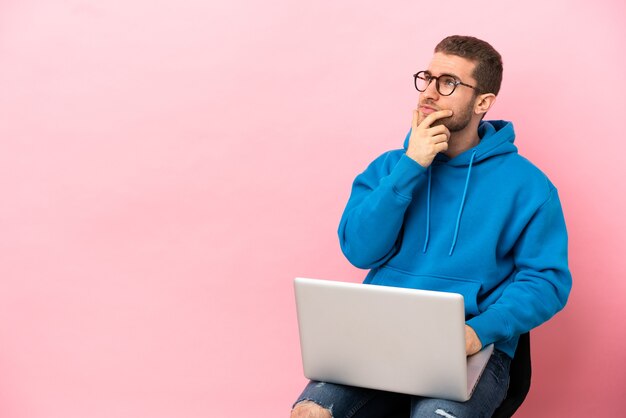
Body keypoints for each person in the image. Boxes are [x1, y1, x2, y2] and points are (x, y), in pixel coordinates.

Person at [291, 35, 572, 418]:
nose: (431, 92)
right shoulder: (390, 168)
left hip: (469, 343)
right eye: (428, 77)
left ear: (483, 102)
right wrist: (411, 166)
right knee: (311, 412)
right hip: (379, 336)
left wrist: (481, 330)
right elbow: (359, 251)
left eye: (449, 83)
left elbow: (546, 281)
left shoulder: (529, 187)